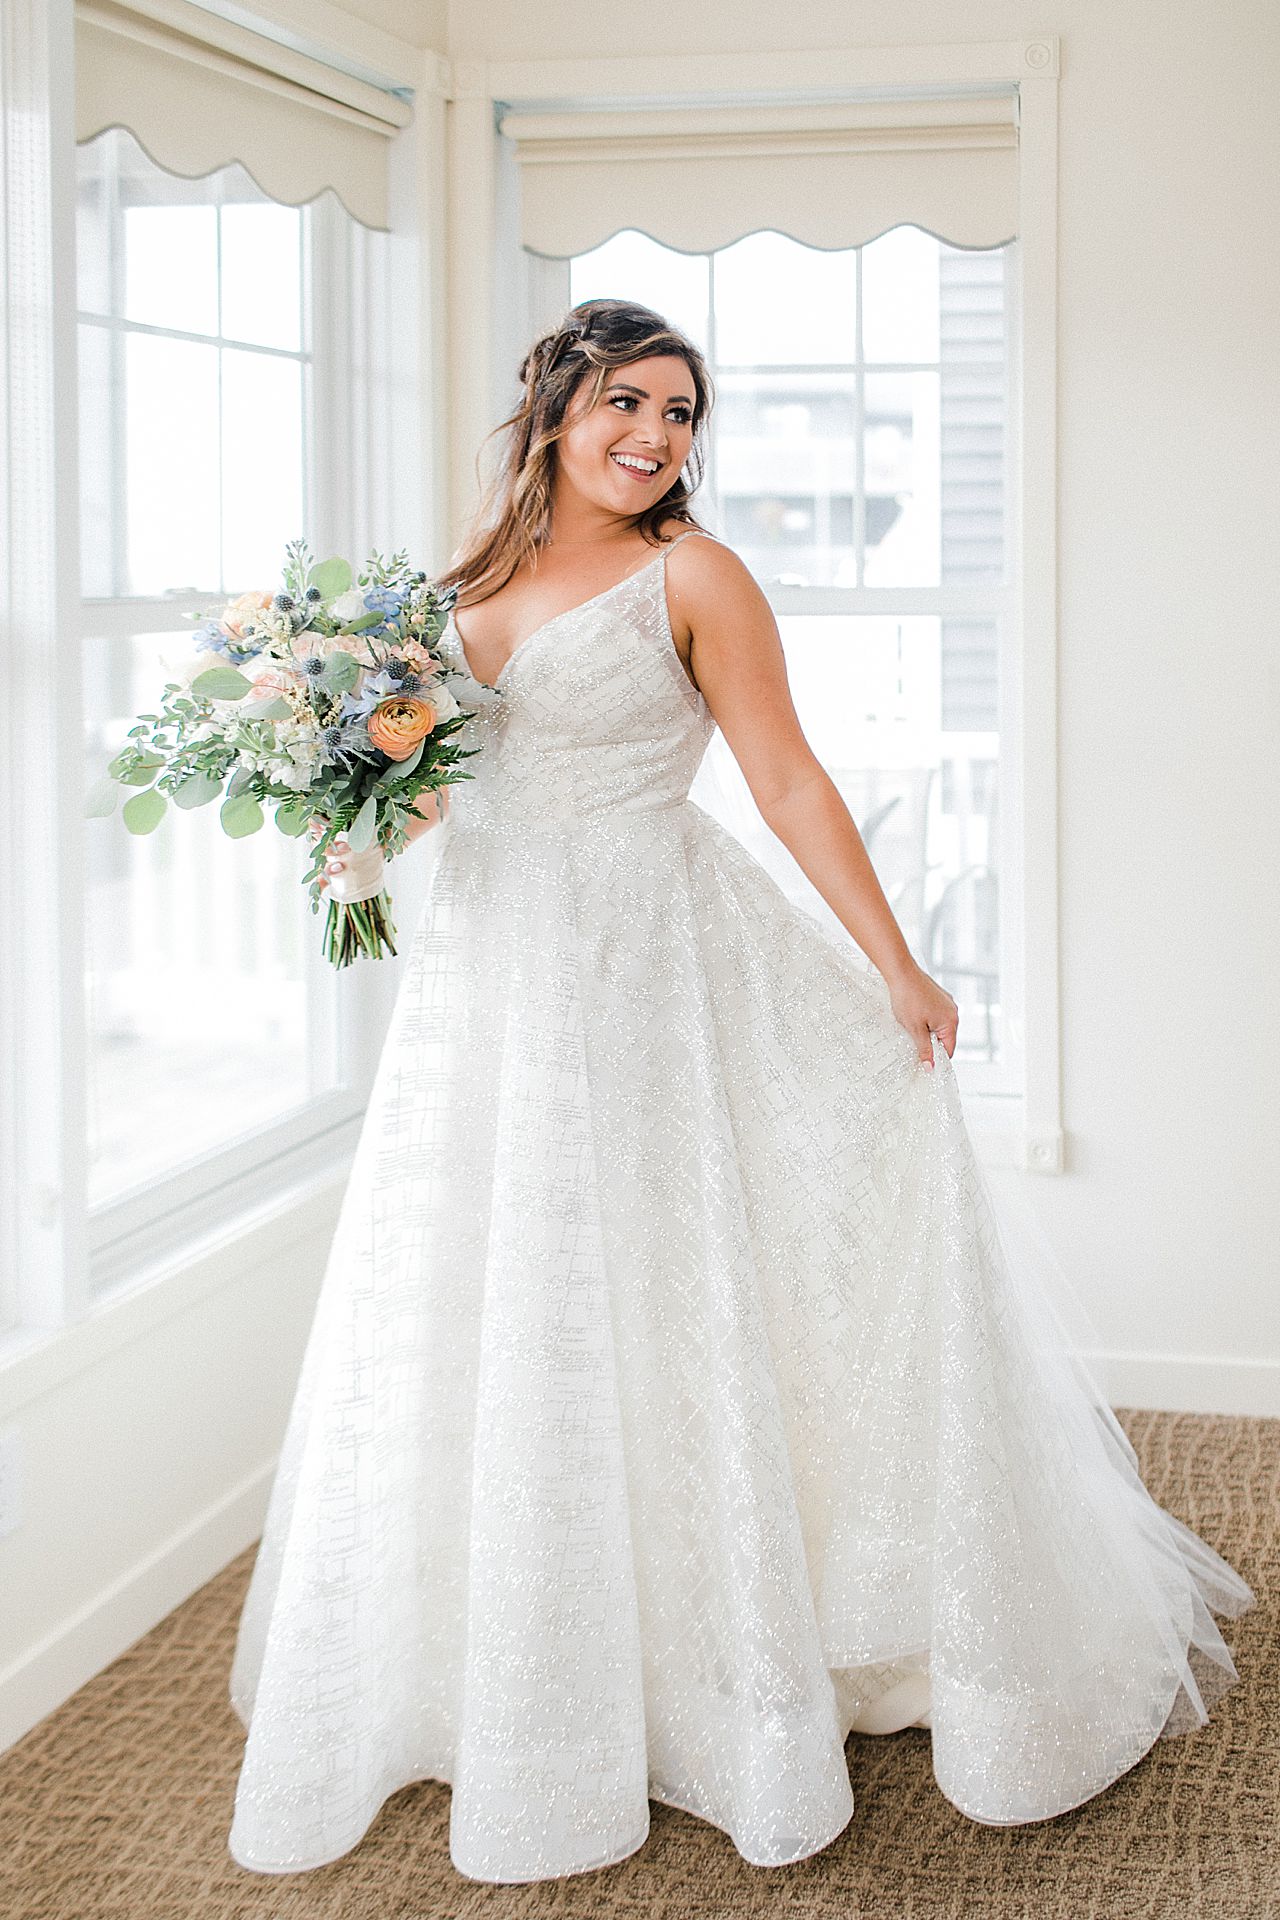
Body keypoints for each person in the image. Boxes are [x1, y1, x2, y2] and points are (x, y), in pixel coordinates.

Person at [227, 299, 1255, 1886]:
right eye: (628, 402)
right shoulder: (449, 592)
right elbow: (436, 800)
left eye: (685, 413)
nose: (657, 436)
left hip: (648, 962)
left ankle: (735, 1650)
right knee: (500, 1299)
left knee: (672, 1286)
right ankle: (532, 1668)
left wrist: (900, 966)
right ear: (555, 408)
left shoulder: (691, 576)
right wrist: (344, 811)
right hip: (490, 985)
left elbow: (782, 776)